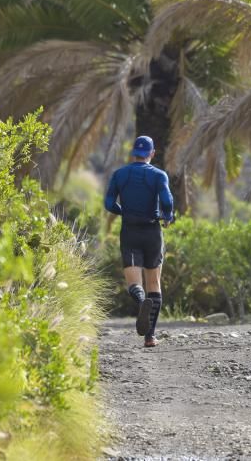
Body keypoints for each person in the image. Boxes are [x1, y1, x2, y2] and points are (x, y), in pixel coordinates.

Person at [105, 135, 175, 348]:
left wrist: (123, 211)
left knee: (135, 284)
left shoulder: (119, 175)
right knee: (154, 283)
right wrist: (167, 216)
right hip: (152, 232)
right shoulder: (158, 175)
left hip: (130, 231)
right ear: (152, 154)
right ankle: (150, 337)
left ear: (133, 152)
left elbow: (109, 203)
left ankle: (141, 300)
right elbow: (167, 200)